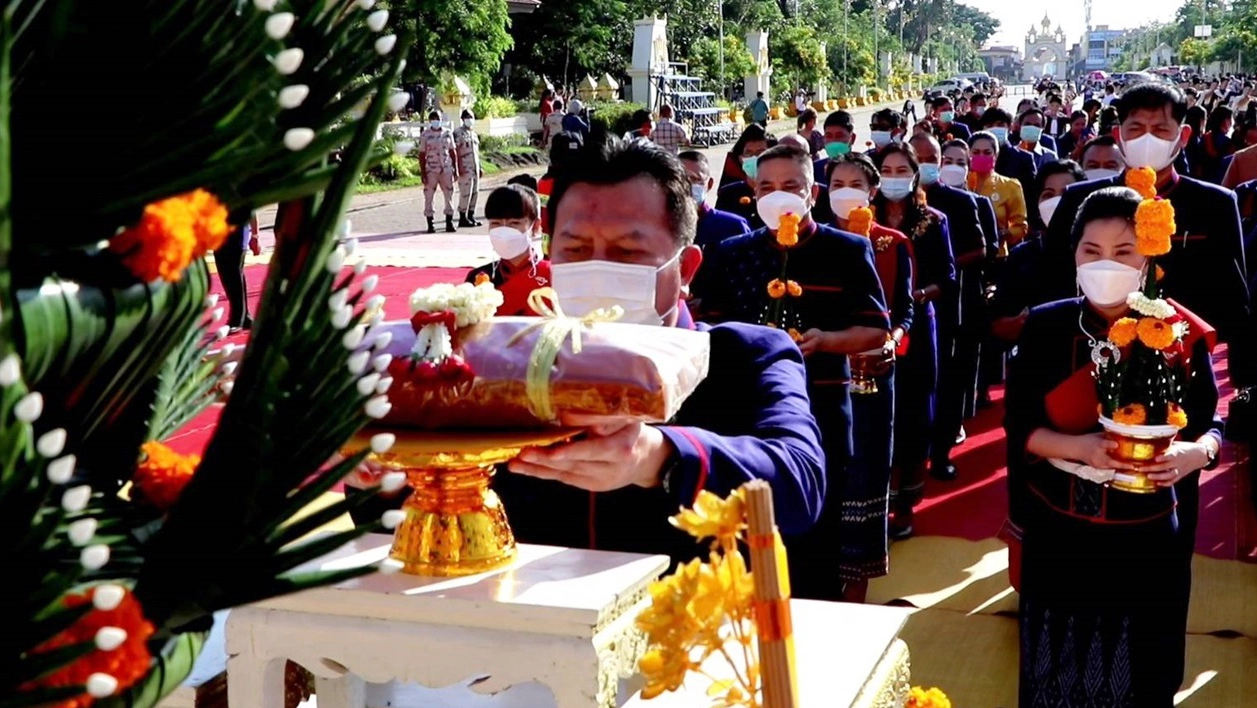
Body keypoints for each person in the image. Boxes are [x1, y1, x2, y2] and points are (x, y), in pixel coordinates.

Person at [501, 137, 827, 562]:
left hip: (694, 617)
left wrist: (659, 458)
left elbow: (799, 484)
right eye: (576, 250)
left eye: (628, 252)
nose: (598, 271)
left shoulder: (749, 355)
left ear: (685, 267)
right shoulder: (512, 368)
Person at [1005, 186, 1222, 707]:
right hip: (1060, 532)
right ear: (1073, 253)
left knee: (1142, 672)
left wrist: (1198, 453)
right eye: (1091, 251)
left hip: (1146, 539)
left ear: (1149, 253)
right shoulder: (1045, 326)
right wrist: (1078, 448)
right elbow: (1020, 426)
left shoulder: (1179, 332)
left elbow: (1213, 423)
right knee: (1054, 671)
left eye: (1124, 252)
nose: (1106, 264)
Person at [695, 144, 890, 600]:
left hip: (822, 406)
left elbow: (874, 331)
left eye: (790, 187)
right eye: (766, 187)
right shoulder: (733, 252)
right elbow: (712, 325)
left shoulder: (847, 249)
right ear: (751, 191)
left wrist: (825, 341)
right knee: (747, 530)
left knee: (816, 534)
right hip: (746, 411)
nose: (777, 196)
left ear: (812, 191)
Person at [1044, 82, 1253, 391]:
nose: (1147, 139)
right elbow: (1053, 281)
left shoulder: (1215, 203)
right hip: (1091, 357)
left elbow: (1233, 301)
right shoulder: (1079, 200)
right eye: (1137, 129)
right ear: (1118, 136)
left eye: (1160, 130)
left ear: (1182, 136)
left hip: (1181, 359)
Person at [823, 152, 913, 599]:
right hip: (825, 375)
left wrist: (892, 343)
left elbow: (905, 311)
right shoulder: (810, 245)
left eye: (854, 183)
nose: (845, 192)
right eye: (837, 183)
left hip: (875, 374)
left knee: (866, 474)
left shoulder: (893, 243)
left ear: (871, 191)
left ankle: (856, 587)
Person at [871, 144, 957, 539]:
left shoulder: (932, 221)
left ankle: (904, 504)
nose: (892, 176)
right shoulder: (859, 220)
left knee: (911, 414)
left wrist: (913, 296)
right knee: (873, 414)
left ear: (914, 174)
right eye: (884, 169)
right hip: (870, 325)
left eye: (900, 169)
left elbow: (948, 278)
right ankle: (874, 501)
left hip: (917, 328)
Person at [911, 133, 990, 482]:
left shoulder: (957, 203)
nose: (926, 162)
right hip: (903, 307)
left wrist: (944, 267)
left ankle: (941, 452)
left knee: (946, 382)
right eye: (919, 156)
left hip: (948, 305)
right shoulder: (889, 202)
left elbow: (980, 249)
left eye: (932, 157)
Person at [990, 159, 1086, 344]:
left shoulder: (1096, 254)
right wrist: (1028, 321)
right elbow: (997, 325)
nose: (1058, 202)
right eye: (1048, 194)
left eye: (1066, 194)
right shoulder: (1022, 256)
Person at [464, 185, 550, 316]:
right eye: (496, 223)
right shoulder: (476, 278)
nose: (504, 232)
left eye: (514, 223)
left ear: (536, 226)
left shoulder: (552, 276)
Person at [968, 131, 1029, 256]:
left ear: (996, 155)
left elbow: (1020, 227)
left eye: (987, 152)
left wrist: (1003, 234)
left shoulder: (1009, 186)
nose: (981, 156)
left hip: (997, 257)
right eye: (976, 152)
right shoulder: (961, 183)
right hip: (965, 256)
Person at [679, 150, 750, 250]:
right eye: (681, 179)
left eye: (695, 179)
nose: (688, 186)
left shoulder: (732, 226)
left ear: (709, 184)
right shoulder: (657, 225)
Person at [715, 124, 777, 228]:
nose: (754, 158)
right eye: (748, 153)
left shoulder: (781, 192)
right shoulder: (728, 195)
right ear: (740, 158)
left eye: (760, 153)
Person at [214, 212, 261, 333]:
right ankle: (244, 316)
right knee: (228, 271)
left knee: (233, 271)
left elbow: (251, 208)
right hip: (219, 230)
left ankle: (238, 318)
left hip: (236, 229)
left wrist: (255, 235)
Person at [980, 108, 1037, 198]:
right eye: (990, 126)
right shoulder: (976, 158)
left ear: (1010, 127)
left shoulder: (1024, 159)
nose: (995, 129)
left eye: (1000, 125)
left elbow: (1030, 196)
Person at [419, 110, 459, 234]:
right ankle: (430, 224)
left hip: (446, 169)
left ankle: (449, 222)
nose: (436, 120)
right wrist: (423, 173)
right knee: (429, 196)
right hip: (431, 169)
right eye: (433, 118)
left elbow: (453, 152)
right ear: (430, 121)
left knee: (449, 195)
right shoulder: (425, 135)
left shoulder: (447, 133)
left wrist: (456, 169)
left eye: (438, 118)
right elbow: (421, 154)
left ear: (442, 119)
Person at [453, 109, 482, 229]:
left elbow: (476, 152)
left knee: (475, 192)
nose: (469, 119)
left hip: (474, 167)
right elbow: (455, 151)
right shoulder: (458, 133)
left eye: (471, 117)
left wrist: (480, 167)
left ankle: (471, 215)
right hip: (464, 167)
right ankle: (462, 217)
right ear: (463, 119)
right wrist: (458, 167)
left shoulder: (473, 134)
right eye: (467, 117)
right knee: (466, 193)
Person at [814, 110, 857, 185]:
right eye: (829, 136)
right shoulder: (814, 170)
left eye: (839, 136)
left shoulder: (862, 171)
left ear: (852, 138)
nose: (833, 141)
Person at [1014, 107, 1059, 171]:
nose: (1031, 127)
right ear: (1020, 126)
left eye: (1036, 125)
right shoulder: (1010, 155)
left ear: (1042, 129)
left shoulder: (1050, 158)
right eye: (1027, 124)